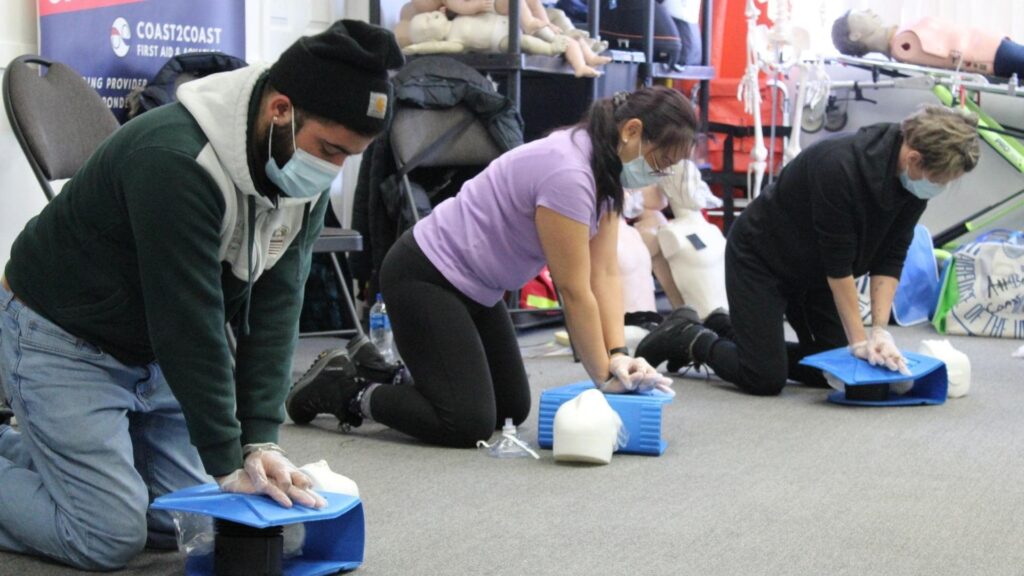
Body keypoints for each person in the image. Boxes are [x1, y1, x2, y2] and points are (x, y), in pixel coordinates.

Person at [0, 21, 403, 570]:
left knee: (179, 522)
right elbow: (189, 323)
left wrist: (260, 441)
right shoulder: (175, 158)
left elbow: (277, 306)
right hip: (63, 336)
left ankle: (50, 452)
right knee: (107, 534)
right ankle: (62, 454)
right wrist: (225, 459)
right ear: (280, 110)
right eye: (330, 149)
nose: (332, 171)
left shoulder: (296, 172)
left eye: (348, 157)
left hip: (150, 351)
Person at [287, 86, 693, 446]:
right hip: (425, 275)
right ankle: (344, 389)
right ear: (632, 130)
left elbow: (603, 273)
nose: (659, 174)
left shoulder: (605, 169)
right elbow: (574, 290)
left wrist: (619, 353)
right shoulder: (570, 173)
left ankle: (380, 371)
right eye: (661, 161)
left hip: (478, 288)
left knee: (510, 409)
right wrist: (603, 377)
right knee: (466, 421)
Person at [636, 105, 980, 396]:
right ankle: (688, 336)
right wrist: (859, 342)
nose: (940, 187)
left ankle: (722, 326)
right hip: (761, 259)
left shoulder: (913, 183)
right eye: (940, 180)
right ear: (914, 158)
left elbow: (892, 256)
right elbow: (839, 267)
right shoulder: (840, 166)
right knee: (764, 377)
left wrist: (879, 331)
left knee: (835, 374)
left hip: (814, 274)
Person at [832, 9, 1024, 78]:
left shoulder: (901, 40)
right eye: (860, 15)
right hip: (992, 53)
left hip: (994, 46)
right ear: (855, 36)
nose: (869, 11)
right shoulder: (903, 47)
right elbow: (955, 58)